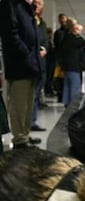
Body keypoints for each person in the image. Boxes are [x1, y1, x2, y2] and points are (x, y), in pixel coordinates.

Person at [0, 0, 42, 149]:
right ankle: (20, 140)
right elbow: (11, 36)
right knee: (19, 105)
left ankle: (24, 134)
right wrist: (28, 56)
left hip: (30, 65)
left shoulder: (26, 8)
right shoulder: (10, 5)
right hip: (19, 65)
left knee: (27, 105)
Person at [60, 20, 85, 108]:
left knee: (67, 85)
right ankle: (72, 104)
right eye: (78, 30)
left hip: (67, 66)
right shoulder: (73, 39)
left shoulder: (66, 38)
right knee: (74, 86)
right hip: (73, 67)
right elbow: (83, 41)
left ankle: (67, 103)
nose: (80, 32)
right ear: (73, 29)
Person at [31, 0, 47, 131]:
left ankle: (32, 122)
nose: (37, 6)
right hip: (29, 63)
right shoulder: (26, 18)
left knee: (35, 95)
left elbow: (45, 41)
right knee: (29, 96)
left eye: (39, 4)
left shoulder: (42, 23)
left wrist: (44, 49)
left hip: (40, 64)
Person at [53, 13, 67, 102]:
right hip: (59, 59)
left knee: (65, 78)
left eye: (64, 19)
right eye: (61, 19)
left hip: (66, 59)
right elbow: (56, 45)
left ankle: (64, 96)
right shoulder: (58, 33)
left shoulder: (68, 32)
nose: (62, 21)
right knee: (58, 78)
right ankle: (60, 96)